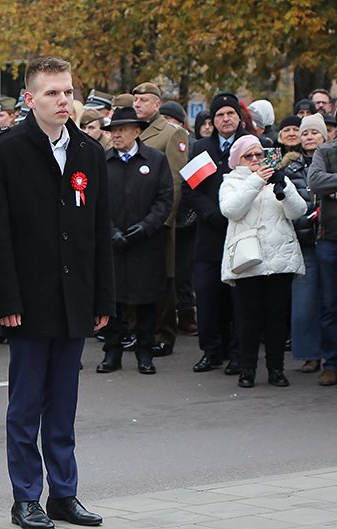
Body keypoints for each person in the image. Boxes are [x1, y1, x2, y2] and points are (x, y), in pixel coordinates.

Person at [0, 56, 114, 529]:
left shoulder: (88, 151)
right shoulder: (3, 151)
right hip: (29, 300)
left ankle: (65, 493)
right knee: (26, 404)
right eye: (53, 93)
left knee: (64, 403)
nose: (64, 100)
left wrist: (102, 301)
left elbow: (99, 231)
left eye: (68, 92)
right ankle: (26, 498)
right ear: (30, 99)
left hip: (75, 296)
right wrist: (6, 301)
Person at [181, 92, 270, 377]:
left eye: (230, 113)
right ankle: (211, 351)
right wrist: (212, 214)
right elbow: (189, 190)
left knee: (239, 300)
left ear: (239, 116)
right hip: (209, 235)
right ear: (212, 120)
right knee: (206, 296)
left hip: (243, 234)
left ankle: (237, 354)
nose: (225, 119)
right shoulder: (201, 148)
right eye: (219, 115)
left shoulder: (255, 145)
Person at [219, 135, 305, 388]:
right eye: (249, 156)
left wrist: (285, 188)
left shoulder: (278, 177)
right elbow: (232, 210)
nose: (256, 159)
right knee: (250, 317)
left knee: (276, 317)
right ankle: (247, 370)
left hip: (280, 258)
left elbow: (297, 211)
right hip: (249, 260)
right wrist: (256, 180)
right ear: (238, 160)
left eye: (260, 154)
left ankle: (276, 369)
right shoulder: (231, 181)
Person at [97, 106, 173, 375]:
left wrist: (146, 227)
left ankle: (145, 352)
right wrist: (110, 231)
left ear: (137, 132)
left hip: (146, 243)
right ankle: (112, 353)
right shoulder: (102, 162)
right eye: (113, 130)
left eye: (122, 130)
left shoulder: (156, 159)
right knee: (112, 300)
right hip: (113, 245)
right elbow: (94, 204)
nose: (116, 135)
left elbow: (165, 199)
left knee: (146, 300)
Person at [132, 83, 189, 359]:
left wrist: (165, 220)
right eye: (135, 100)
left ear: (157, 105)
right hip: (132, 219)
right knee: (136, 275)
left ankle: (164, 334)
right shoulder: (129, 131)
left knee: (164, 278)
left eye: (144, 100)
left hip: (159, 219)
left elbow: (177, 180)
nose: (138, 104)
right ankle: (138, 331)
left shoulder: (170, 133)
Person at [285, 114, 326, 374]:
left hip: (329, 238)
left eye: (315, 133)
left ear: (326, 136)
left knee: (330, 302)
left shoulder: (331, 163)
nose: (309, 137)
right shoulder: (291, 169)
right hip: (303, 243)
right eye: (306, 133)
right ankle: (310, 354)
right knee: (303, 303)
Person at [307, 125, 337, 386]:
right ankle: (331, 365)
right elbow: (315, 181)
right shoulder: (325, 151)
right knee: (329, 306)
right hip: (330, 239)